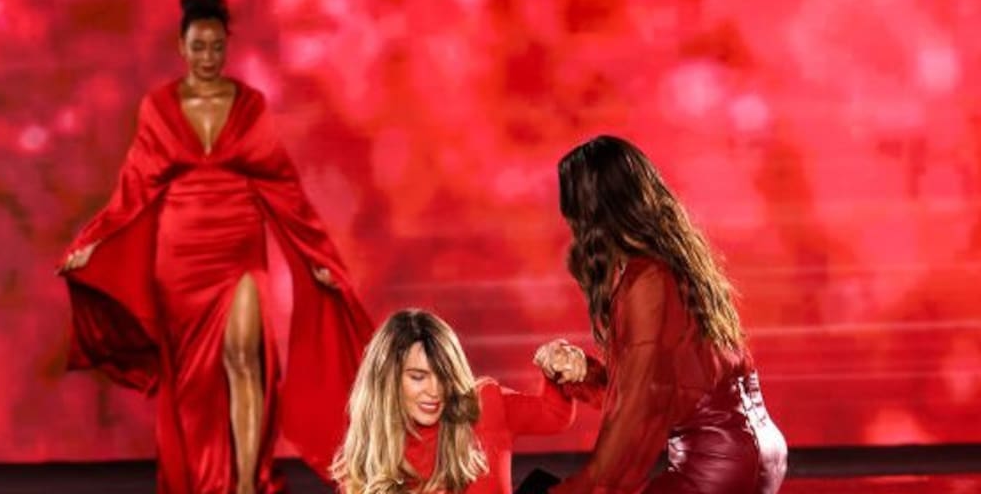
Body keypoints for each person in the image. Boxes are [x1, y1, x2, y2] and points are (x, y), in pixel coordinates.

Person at [57, 0, 373, 494]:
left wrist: (315, 253)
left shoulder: (250, 105)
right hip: (180, 255)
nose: (208, 57)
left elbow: (282, 184)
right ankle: (205, 479)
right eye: (198, 46)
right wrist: (94, 240)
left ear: (228, 46)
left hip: (239, 245)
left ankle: (247, 484)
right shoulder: (159, 107)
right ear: (181, 47)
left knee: (246, 357)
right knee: (196, 382)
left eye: (217, 46)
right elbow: (135, 186)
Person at [551, 135, 787, 493]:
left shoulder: (647, 279)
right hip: (751, 450)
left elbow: (636, 408)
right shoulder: (673, 264)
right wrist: (586, 374)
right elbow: (660, 389)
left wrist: (583, 487)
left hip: (716, 460)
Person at [331, 308, 581, 494]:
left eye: (443, 375)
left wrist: (555, 363)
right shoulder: (369, 453)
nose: (435, 391)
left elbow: (555, 415)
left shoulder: (483, 404)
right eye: (418, 377)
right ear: (387, 379)